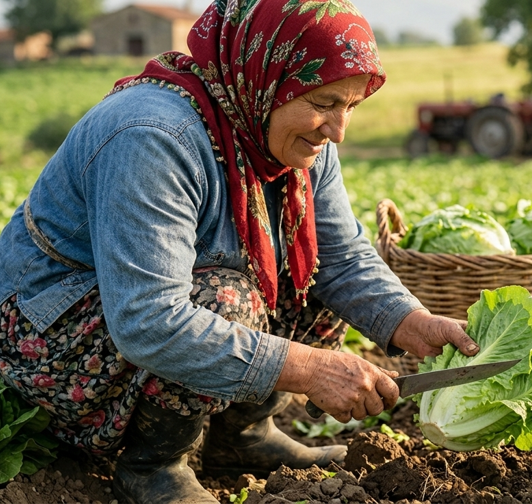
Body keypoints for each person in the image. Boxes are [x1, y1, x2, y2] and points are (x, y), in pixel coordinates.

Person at [0, 1, 480, 502]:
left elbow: (340, 257)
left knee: (304, 260)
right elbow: (147, 318)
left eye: (351, 106)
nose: (338, 130)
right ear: (266, 77)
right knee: (228, 298)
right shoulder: (153, 137)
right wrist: (310, 368)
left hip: (139, 317)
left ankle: (242, 436)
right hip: (51, 335)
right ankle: (153, 466)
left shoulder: (291, 134)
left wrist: (414, 323)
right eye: (324, 103)